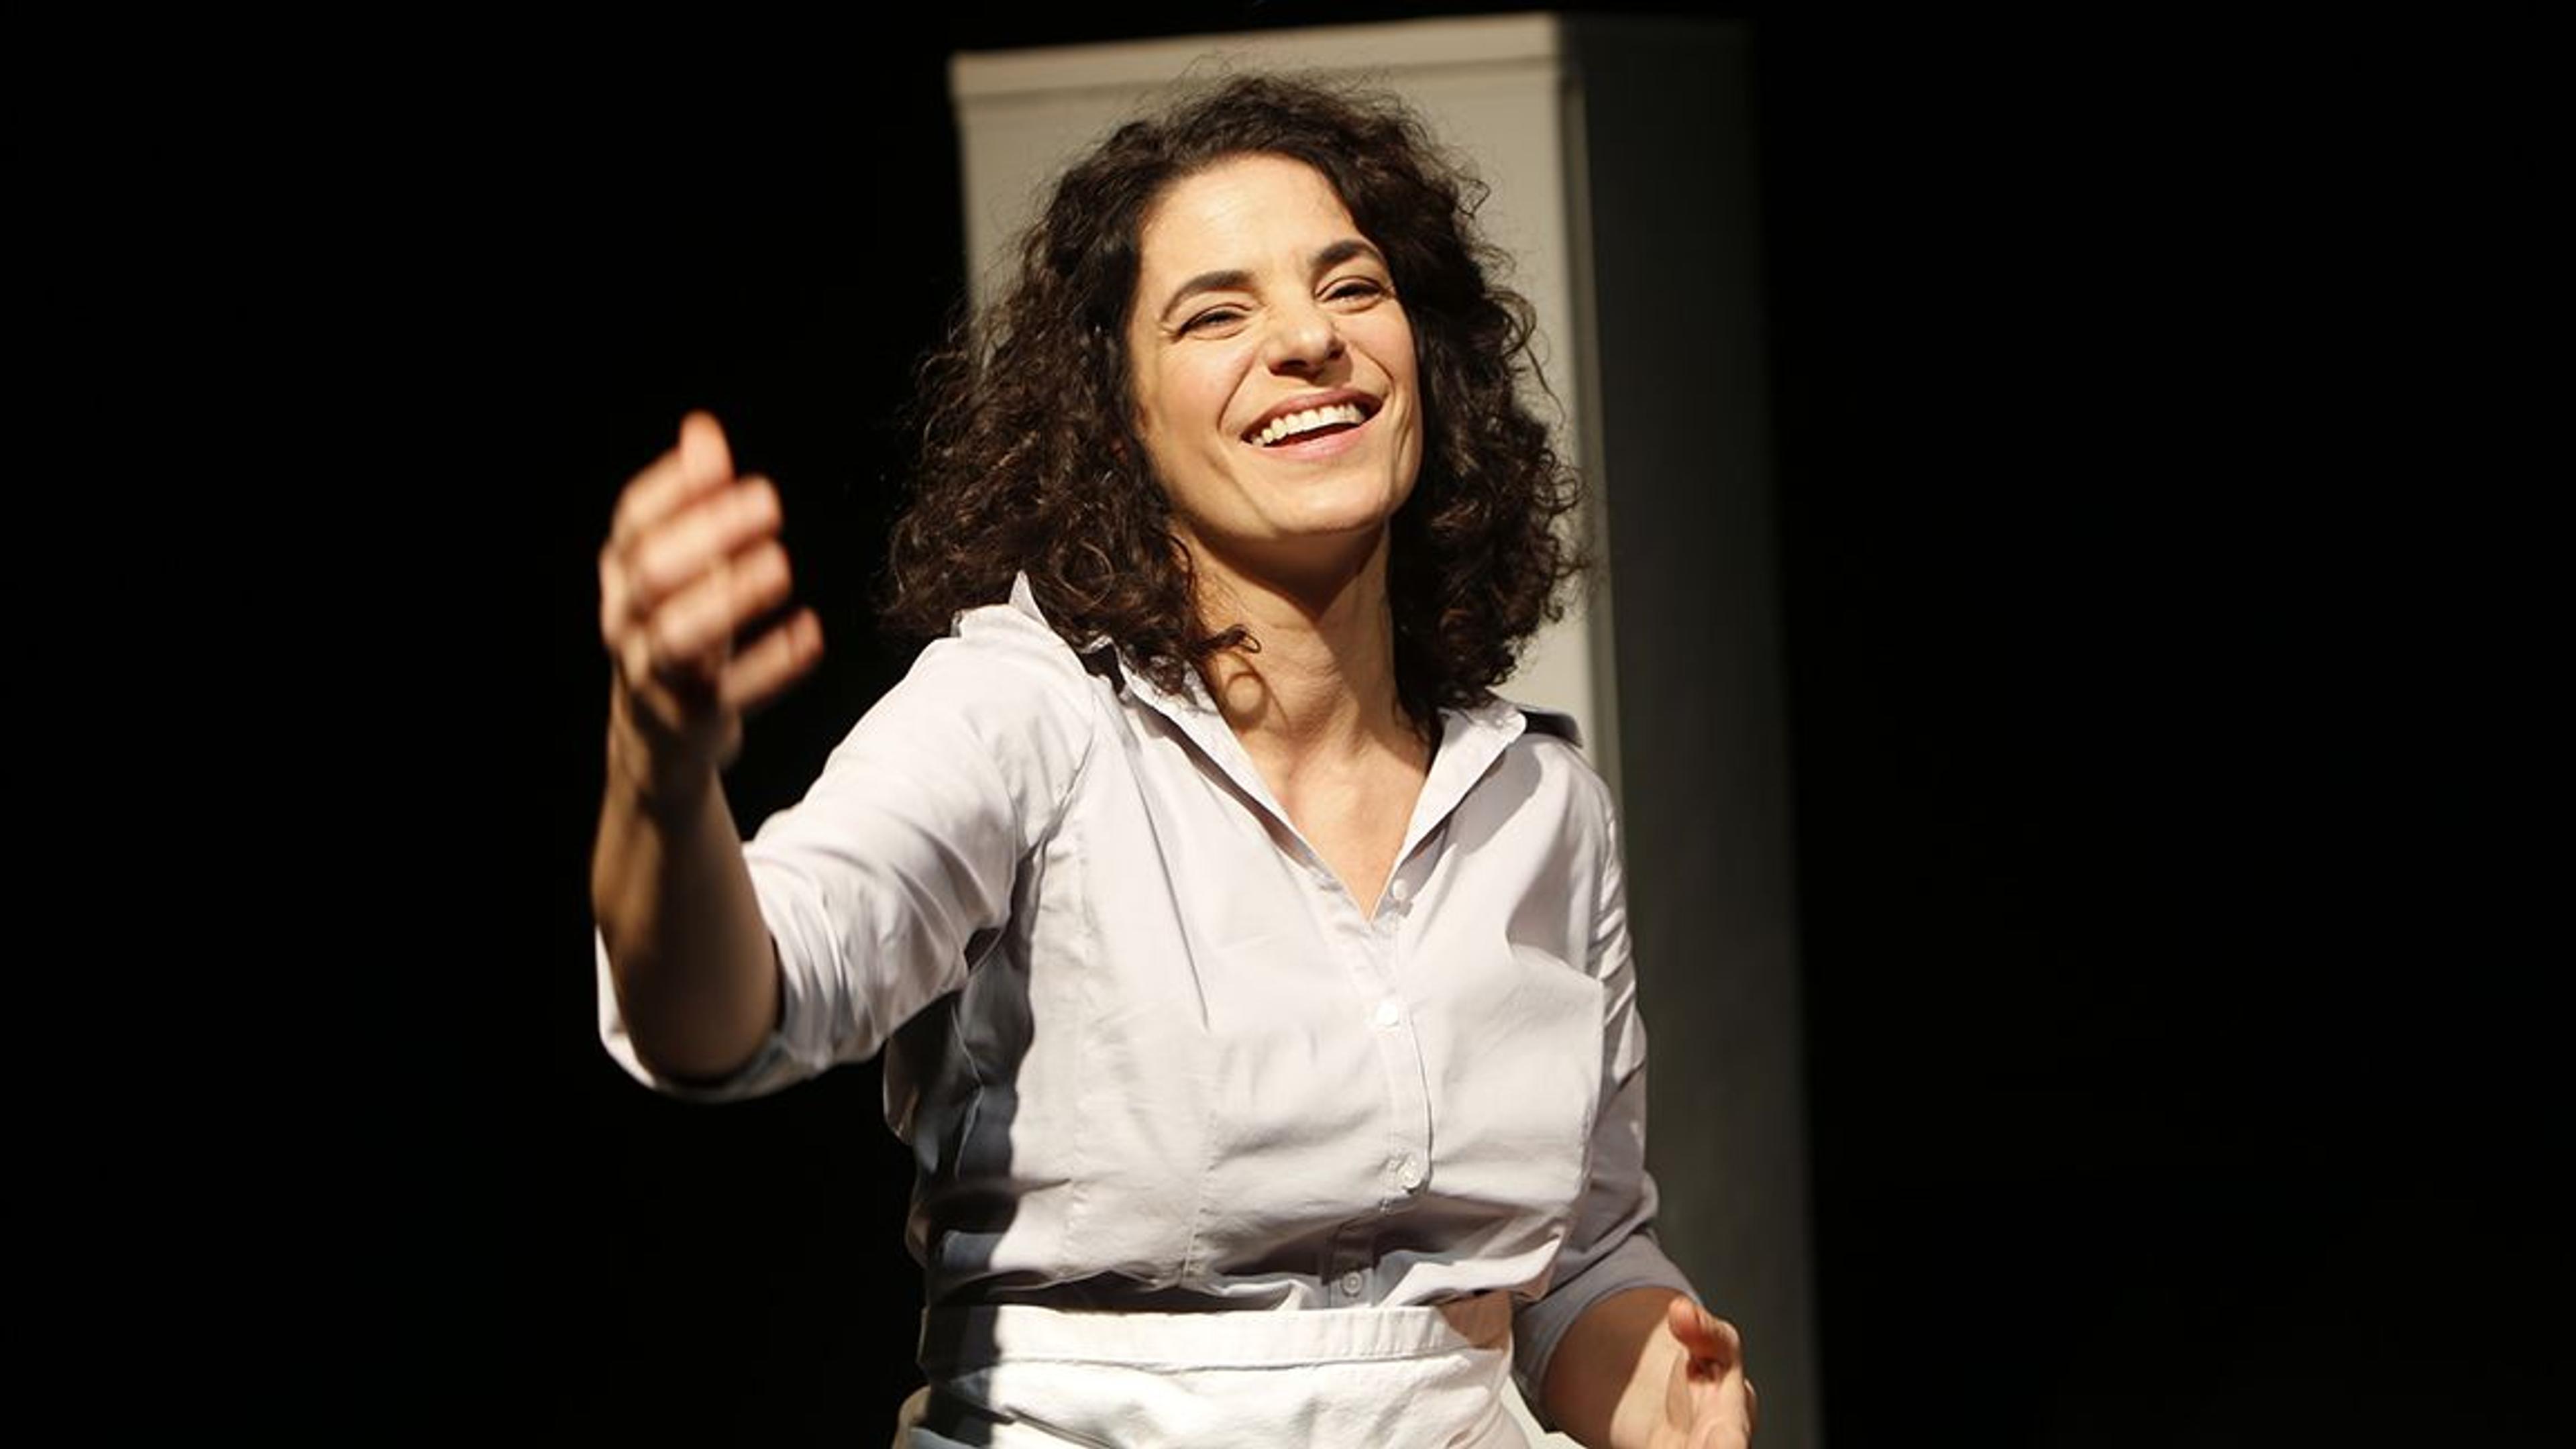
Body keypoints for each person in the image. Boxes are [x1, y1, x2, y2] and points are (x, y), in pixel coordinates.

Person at [592, 72, 1756, 1448]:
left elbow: (1583, 1264)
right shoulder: (1024, 714)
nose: (1310, 341)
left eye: (1351, 287)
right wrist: (659, 772)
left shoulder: (1543, 807)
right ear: (1119, 416)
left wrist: (1666, 1394)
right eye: (1218, 313)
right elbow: (725, 1010)